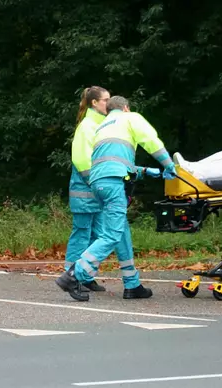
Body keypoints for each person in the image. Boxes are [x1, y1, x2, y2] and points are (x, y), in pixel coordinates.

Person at [56, 96, 176, 301]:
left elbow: (110, 161)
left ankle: (132, 284)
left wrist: (146, 171)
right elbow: (151, 141)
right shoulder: (131, 118)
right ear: (126, 108)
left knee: (121, 232)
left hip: (98, 183)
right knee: (111, 234)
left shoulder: (102, 127)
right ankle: (75, 274)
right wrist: (168, 165)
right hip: (113, 184)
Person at [63, 86, 110, 292]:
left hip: (96, 191)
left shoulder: (99, 124)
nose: (109, 103)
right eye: (105, 100)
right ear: (94, 103)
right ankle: (71, 276)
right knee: (82, 234)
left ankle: (85, 274)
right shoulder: (88, 126)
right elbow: (82, 159)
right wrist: (98, 183)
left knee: (98, 236)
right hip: (87, 191)